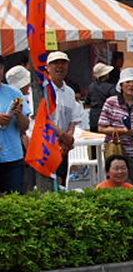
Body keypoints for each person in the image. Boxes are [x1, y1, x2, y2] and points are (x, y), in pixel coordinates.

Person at [96, 68, 133, 188]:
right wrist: (122, 131)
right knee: (115, 186)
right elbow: (101, 128)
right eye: (128, 82)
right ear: (121, 85)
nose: (131, 85)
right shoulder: (111, 102)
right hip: (116, 152)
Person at [35, 51, 84, 191]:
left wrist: (68, 139)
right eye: (55, 63)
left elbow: (74, 119)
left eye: (63, 63)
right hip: (46, 145)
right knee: (47, 183)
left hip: (63, 147)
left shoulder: (69, 91)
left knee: (61, 181)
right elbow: (42, 118)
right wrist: (63, 136)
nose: (59, 67)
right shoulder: (42, 90)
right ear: (48, 67)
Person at [0, 56, 32, 195]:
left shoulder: (14, 92)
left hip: (13, 156)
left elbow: (25, 126)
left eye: (0, 67)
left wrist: (19, 114)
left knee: (16, 200)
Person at [86, 63, 116, 133]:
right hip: (106, 118)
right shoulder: (110, 88)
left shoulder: (91, 87)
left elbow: (87, 102)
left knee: (94, 140)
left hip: (93, 118)